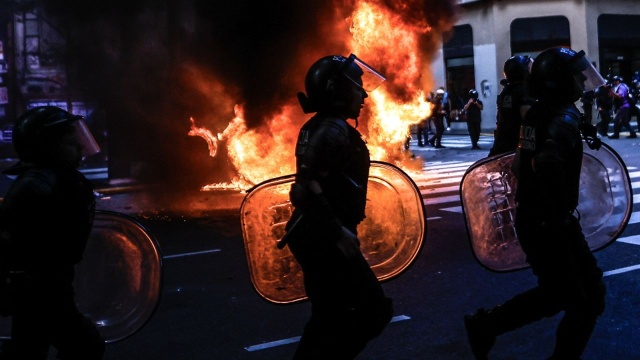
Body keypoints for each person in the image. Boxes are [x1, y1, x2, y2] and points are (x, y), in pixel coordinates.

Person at [464, 47, 607, 360]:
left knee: (564, 294)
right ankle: (489, 326)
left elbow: (518, 165)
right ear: (560, 81)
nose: (582, 81)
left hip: (537, 219)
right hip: (551, 223)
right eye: (576, 75)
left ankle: (486, 325)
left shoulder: (537, 114)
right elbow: (544, 162)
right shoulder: (563, 116)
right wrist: (557, 212)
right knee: (585, 301)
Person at [285, 54, 393, 359]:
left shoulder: (326, 126)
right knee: (373, 310)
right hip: (322, 237)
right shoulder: (331, 129)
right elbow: (304, 188)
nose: (364, 94)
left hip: (318, 234)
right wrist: (339, 234)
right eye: (356, 86)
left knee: (327, 317)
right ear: (336, 89)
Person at [0, 106, 104, 359]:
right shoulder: (36, 187)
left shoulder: (56, 180)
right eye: (71, 142)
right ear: (47, 146)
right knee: (85, 346)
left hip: (46, 286)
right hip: (42, 290)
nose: (80, 147)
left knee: (29, 350)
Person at [489, 55, 534, 156]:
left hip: (502, 147)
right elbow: (530, 119)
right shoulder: (524, 92)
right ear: (525, 71)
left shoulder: (507, 91)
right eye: (531, 68)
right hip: (516, 151)